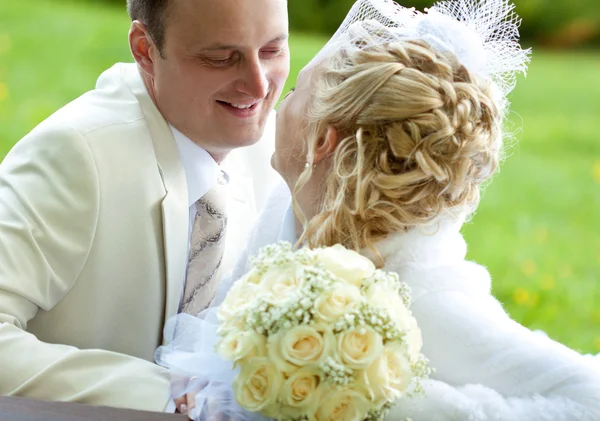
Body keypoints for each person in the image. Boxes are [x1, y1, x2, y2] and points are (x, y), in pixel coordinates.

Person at [162, 0, 600, 419]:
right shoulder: (292, 207)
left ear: (321, 142)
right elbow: (222, 326)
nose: (277, 99)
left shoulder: (429, 302)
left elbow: (588, 399)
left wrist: (392, 406)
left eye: (295, 92)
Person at [0, 0, 289, 412]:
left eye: (272, 51)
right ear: (144, 50)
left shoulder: (280, 150)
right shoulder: (77, 155)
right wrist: (171, 397)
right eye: (221, 58)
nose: (260, 87)